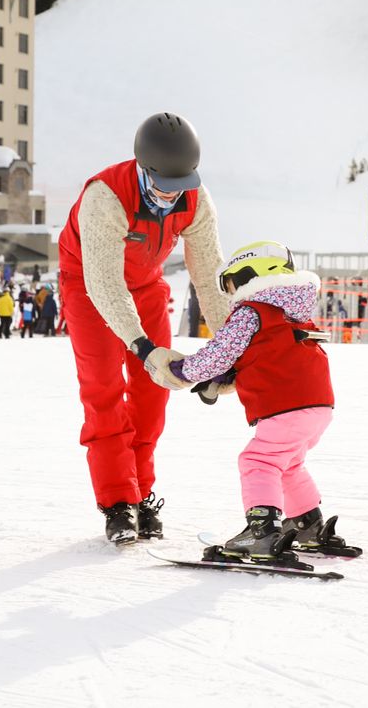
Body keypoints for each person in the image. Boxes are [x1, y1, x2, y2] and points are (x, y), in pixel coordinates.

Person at [58, 112, 230, 544]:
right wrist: (142, 346)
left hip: (145, 284)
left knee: (155, 392)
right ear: (143, 169)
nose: (173, 197)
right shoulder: (106, 196)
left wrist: (230, 348)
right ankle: (118, 501)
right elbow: (103, 283)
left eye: (182, 186)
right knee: (103, 390)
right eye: (164, 187)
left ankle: (141, 493)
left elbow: (208, 274)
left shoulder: (196, 198)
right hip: (89, 285)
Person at [168, 241, 341, 560]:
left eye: (232, 285)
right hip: (318, 406)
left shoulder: (251, 311)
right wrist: (230, 372)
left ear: (251, 276)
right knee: (288, 463)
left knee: (258, 461)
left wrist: (184, 369)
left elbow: (221, 351)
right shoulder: (295, 311)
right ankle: (306, 523)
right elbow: (265, 352)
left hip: (285, 406)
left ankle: (262, 531)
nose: (232, 296)